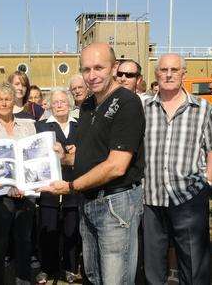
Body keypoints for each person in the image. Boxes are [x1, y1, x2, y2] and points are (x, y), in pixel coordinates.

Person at [38, 43, 145, 285]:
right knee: (94, 276)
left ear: (115, 67)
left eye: (99, 67)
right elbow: (87, 155)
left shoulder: (127, 102)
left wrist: (70, 186)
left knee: (114, 279)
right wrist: (61, 159)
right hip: (88, 201)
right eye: (86, 69)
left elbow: (116, 165)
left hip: (115, 204)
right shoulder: (86, 106)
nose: (92, 75)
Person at [142, 53, 212, 285]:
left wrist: (207, 183)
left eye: (174, 70)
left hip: (189, 198)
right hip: (151, 198)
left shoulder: (202, 108)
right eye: (163, 70)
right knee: (152, 268)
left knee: (194, 267)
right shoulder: (144, 108)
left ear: (183, 74)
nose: (168, 74)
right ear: (156, 74)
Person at [0, 82, 37, 284]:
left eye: (8, 99)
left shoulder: (29, 126)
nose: (4, 103)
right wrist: (8, 185)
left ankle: (23, 279)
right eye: (0, 99)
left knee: (24, 240)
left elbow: (33, 158)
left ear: (14, 101)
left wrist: (22, 185)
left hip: (25, 192)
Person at [35, 90, 80, 284]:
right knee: (48, 229)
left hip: (73, 187)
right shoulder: (41, 127)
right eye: (55, 102)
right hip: (50, 188)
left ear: (69, 104)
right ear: (50, 105)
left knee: (72, 229)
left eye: (63, 101)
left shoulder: (80, 126)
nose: (59, 105)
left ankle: (70, 268)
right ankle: (47, 268)